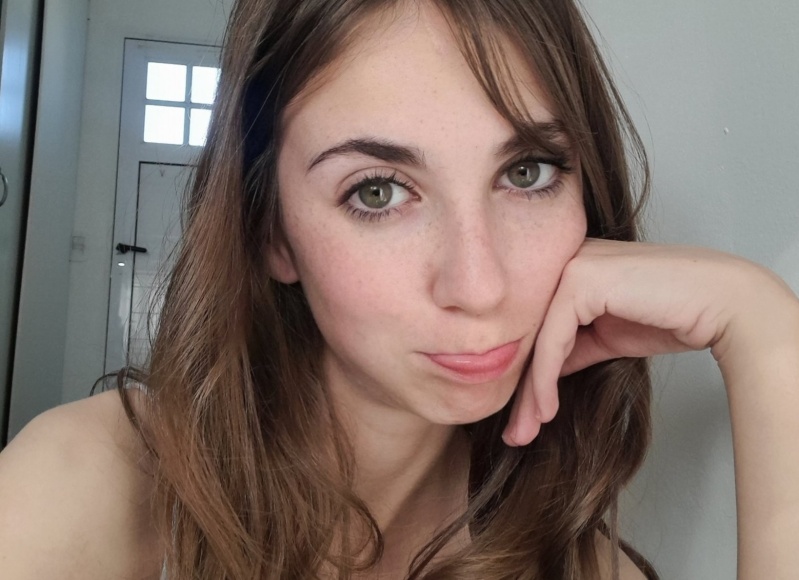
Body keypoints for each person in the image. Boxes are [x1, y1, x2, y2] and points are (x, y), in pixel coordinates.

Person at [1, 0, 797, 578]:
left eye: (527, 173)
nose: (478, 286)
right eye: (377, 191)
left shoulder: (580, 566)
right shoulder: (84, 489)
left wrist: (763, 330)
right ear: (271, 232)